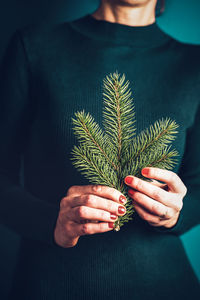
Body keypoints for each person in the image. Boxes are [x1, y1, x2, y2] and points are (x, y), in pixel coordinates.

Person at [0, 0, 199, 299]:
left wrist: (174, 214)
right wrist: (52, 221)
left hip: (165, 285)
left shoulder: (193, 65)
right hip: (52, 285)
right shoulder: (34, 47)